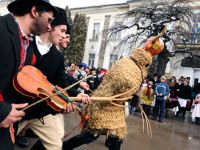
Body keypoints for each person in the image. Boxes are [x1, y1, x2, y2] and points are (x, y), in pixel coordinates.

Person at [16, 7, 90, 150]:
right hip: (18, 109)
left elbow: (61, 83)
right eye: (62, 31)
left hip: (41, 112)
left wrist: (75, 95)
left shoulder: (58, 57)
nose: (64, 36)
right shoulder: (26, 44)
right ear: (50, 26)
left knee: (56, 145)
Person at [0, 0, 57, 149]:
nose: (50, 26)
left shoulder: (29, 45)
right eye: (49, 20)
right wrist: (2, 111)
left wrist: (57, 99)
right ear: (34, 11)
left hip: (7, 124)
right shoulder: (1, 27)